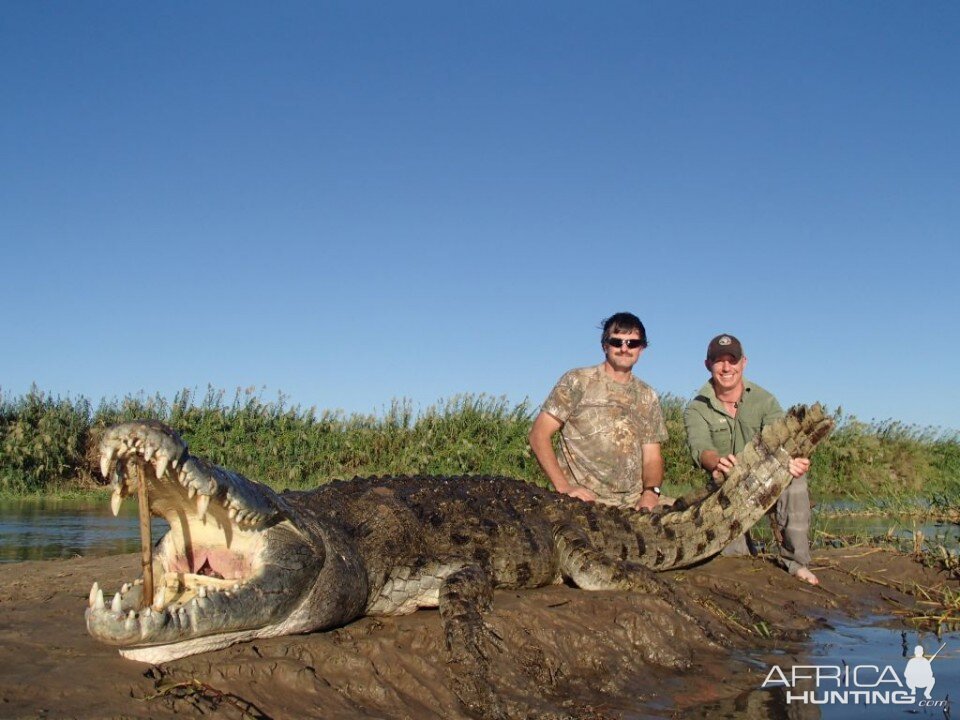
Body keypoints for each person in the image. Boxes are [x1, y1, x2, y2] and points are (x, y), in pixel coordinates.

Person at [684, 333, 819, 585]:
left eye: (732, 360)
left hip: (766, 479)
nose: (726, 368)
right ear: (708, 364)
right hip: (727, 485)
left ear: (743, 363)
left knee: (795, 477)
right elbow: (700, 448)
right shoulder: (696, 408)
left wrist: (794, 461)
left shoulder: (765, 400)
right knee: (736, 562)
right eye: (719, 361)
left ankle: (797, 562)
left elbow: (784, 441)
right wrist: (716, 462)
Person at [528, 312, 668, 511]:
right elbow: (538, 435)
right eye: (616, 342)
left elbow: (652, 456)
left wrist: (651, 492)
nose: (624, 348)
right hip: (584, 501)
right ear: (605, 345)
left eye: (632, 343)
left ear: (641, 349)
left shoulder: (647, 395)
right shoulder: (577, 381)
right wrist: (564, 487)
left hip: (634, 502)